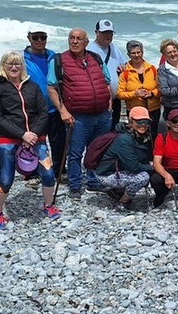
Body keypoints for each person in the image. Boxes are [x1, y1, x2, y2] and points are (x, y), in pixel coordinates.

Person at [0, 52, 61, 230]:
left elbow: (43, 112)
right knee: (6, 178)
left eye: (17, 64)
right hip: (7, 139)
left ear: (22, 66)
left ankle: (48, 205)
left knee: (49, 173)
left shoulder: (32, 87)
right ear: (3, 65)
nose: (13, 67)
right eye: (9, 64)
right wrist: (22, 134)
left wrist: (32, 133)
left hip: (36, 138)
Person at [47, 28, 112, 199]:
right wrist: (62, 111)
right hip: (78, 115)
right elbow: (51, 87)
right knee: (75, 152)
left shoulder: (95, 58)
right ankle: (75, 185)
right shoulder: (59, 60)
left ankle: (93, 181)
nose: (74, 41)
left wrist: (109, 105)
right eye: (72, 38)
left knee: (96, 149)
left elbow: (106, 82)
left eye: (78, 39)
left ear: (86, 42)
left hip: (102, 114)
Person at [93, 106, 154, 211]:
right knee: (143, 177)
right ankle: (122, 202)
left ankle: (118, 191)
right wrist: (152, 167)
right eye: (139, 121)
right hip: (106, 174)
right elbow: (133, 167)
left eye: (146, 121)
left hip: (118, 169)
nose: (143, 125)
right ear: (130, 121)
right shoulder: (125, 139)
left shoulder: (139, 135)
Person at [23, 29, 66, 175]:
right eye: (36, 37)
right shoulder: (21, 58)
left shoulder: (53, 56)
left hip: (54, 107)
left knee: (59, 142)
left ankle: (59, 170)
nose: (39, 40)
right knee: (34, 142)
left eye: (43, 37)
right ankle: (32, 172)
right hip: (33, 109)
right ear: (29, 38)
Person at [86, 20, 127, 130]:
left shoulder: (114, 48)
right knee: (99, 133)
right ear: (96, 32)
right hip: (99, 100)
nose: (108, 36)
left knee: (113, 131)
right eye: (104, 33)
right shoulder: (88, 50)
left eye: (110, 33)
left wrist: (123, 66)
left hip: (115, 99)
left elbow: (124, 63)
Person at [118, 40, 161, 128]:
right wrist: (135, 94)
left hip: (153, 110)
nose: (137, 55)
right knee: (136, 136)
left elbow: (160, 89)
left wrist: (151, 93)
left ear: (142, 52)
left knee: (152, 135)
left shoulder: (152, 69)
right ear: (128, 54)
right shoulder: (125, 72)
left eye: (139, 52)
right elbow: (119, 94)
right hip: (135, 111)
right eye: (133, 53)